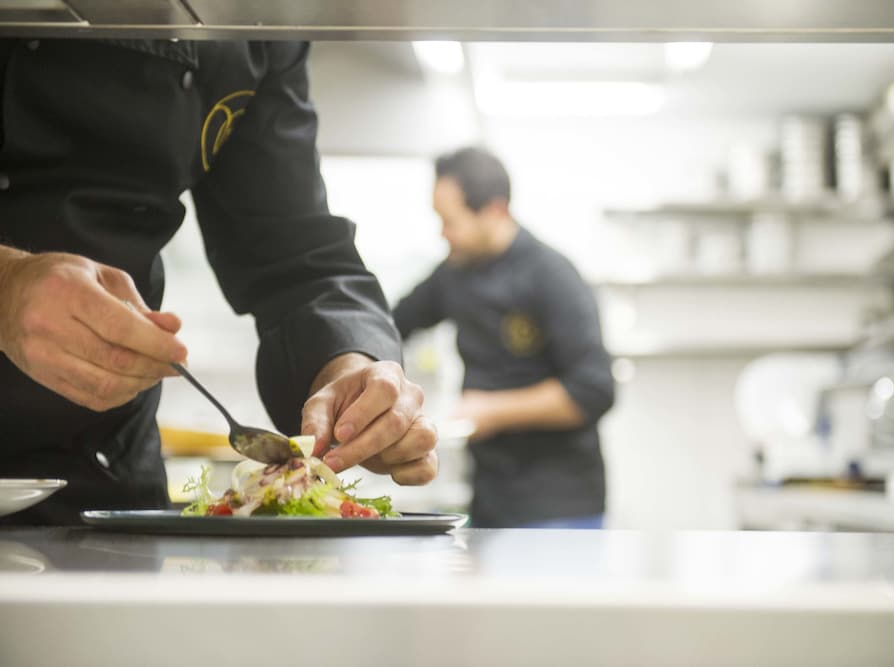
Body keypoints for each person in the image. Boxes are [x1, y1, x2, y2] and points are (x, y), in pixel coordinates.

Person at [0, 38, 437, 525]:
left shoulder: (257, 28)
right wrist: (6, 285)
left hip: (98, 473)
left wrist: (350, 367)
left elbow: (295, 257)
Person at [393, 147, 614, 528]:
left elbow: (593, 389)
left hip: (561, 505)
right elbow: (393, 322)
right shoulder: (453, 274)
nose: (443, 233)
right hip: (491, 499)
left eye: (451, 221)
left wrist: (490, 410)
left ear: (494, 210)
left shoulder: (551, 275)